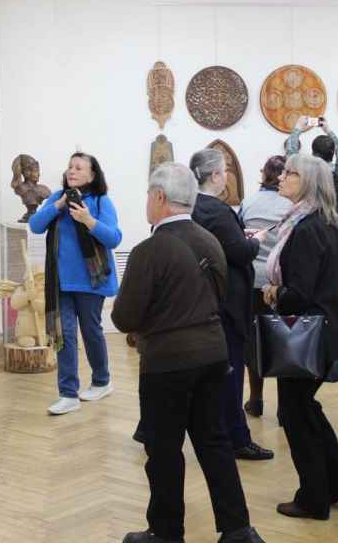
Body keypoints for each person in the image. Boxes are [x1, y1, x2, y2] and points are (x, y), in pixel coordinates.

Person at [112, 163, 265, 543]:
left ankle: (166, 533)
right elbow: (217, 296)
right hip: (213, 354)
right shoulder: (210, 241)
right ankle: (238, 529)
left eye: (149, 196)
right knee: (214, 442)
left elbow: (124, 317)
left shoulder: (148, 251)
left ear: (160, 197)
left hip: (167, 362)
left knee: (163, 449)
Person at [260, 154, 338, 520]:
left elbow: (298, 294)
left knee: (295, 414)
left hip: (305, 333)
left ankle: (314, 498)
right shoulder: (332, 224)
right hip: (325, 329)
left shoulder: (304, 229)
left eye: (290, 173)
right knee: (305, 408)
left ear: (308, 182)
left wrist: (274, 292)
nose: (281, 177)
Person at [191, 149, 274, 461]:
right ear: (215, 176)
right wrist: (255, 240)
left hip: (204, 301)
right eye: (223, 171)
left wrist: (240, 236)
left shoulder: (193, 206)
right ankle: (237, 437)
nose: (226, 175)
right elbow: (239, 252)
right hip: (227, 303)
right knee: (231, 371)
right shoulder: (217, 209)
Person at [28, 152, 122, 415]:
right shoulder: (57, 198)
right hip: (61, 282)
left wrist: (88, 220)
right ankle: (68, 394)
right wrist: (57, 206)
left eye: (79, 168)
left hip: (92, 282)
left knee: (91, 331)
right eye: (70, 166)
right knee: (65, 335)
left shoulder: (101, 201)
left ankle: (102, 381)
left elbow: (114, 238)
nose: (72, 171)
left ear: (92, 175)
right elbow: (35, 226)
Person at [239, 155, 292, 418]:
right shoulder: (291, 205)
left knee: (253, 342)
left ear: (264, 174)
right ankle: (284, 407)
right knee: (284, 341)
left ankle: (256, 399)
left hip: (252, 280)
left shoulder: (248, 202)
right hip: (280, 281)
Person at [310, 130, 338, 214]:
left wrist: (298, 129)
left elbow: (291, 152)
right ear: (333, 152)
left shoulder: (305, 173)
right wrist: (328, 130)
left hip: (311, 218)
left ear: (312, 152)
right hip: (336, 218)